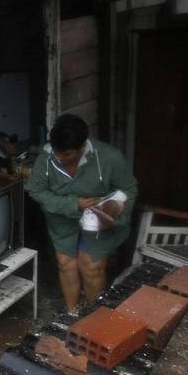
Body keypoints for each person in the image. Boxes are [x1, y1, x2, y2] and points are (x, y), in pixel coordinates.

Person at [25, 114, 137, 313]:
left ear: (83, 146)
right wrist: (74, 204)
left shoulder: (109, 157)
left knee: (91, 267)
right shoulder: (48, 157)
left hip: (97, 220)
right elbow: (36, 190)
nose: (60, 158)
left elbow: (129, 188)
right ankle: (72, 312)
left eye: (67, 154)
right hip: (62, 217)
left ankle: (94, 316)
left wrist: (114, 212)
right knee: (65, 263)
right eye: (58, 153)